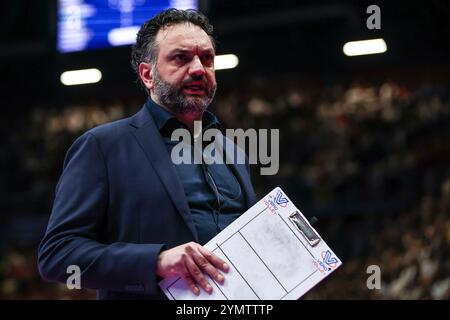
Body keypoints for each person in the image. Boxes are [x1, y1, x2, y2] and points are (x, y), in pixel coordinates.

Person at [38, 8, 256, 299]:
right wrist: (156, 261)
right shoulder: (102, 146)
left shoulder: (232, 150)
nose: (198, 69)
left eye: (206, 58)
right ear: (147, 74)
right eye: (181, 58)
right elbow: (57, 256)